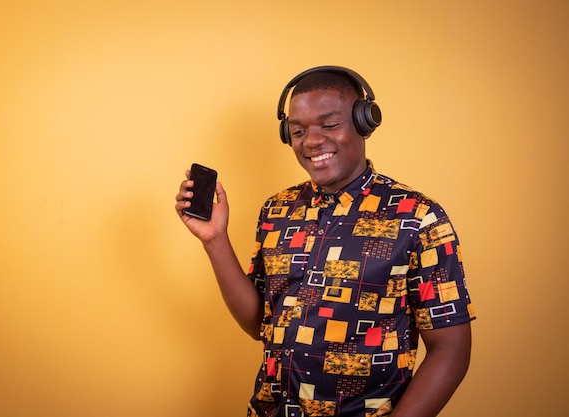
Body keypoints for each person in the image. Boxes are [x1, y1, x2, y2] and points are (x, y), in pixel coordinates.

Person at [175, 66, 475, 417]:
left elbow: (450, 351)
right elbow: (261, 323)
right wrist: (215, 240)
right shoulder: (276, 210)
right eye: (298, 131)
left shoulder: (419, 218)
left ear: (363, 123)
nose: (311, 141)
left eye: (329, 125)